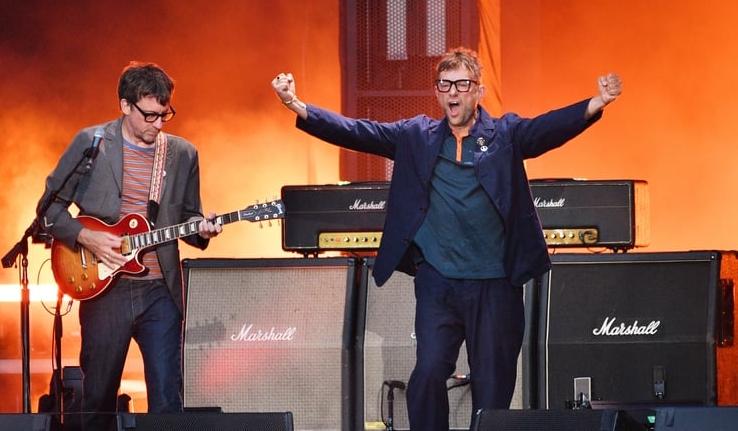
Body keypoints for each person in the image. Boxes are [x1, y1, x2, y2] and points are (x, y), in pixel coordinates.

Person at [271, 47, 622, 430]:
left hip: (496, 284)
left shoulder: (505, 134)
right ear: (437, 92)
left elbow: (547, 129)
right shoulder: (416, 135)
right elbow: (358, 131)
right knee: (428, 372)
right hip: (439, 282)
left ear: (478, 91)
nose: (452, 93)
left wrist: (596, 103)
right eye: (445, 85)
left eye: (461, 84)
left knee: (493, 390)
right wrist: (296, 105)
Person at [38, 61, 222, 430]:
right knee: (99, 401)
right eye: (150, 115)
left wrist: (202, 229)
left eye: (164, 115)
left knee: (168, 402)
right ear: (125, 106)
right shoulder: (92, 144)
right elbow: (48, 211)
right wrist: (86, 236)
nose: (157, 124)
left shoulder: (183, 154)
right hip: (106, 291)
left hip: (160, 291)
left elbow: (187, 221)